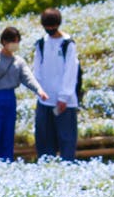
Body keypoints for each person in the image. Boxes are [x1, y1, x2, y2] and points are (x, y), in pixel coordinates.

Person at [0, 26, 48, 161]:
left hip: (10, 98)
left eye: (17, 41)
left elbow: (27, 78)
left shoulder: (19, 61)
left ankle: (6, 161)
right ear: (4, 41)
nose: (15, 45)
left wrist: (39, 90)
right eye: (13, 41)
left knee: (7, 134)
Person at [32, 8, 80, 161]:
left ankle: (67, 166)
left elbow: (71, 71)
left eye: (53, 26)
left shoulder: (67, 44)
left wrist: (64, 97)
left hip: (64, 101)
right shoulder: (40, 44)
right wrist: (39, 91)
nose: (50, 29)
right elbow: (37, 69)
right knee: (44, 138)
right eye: (47, 26)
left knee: (66, 138)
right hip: (45, 99)